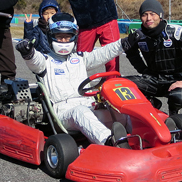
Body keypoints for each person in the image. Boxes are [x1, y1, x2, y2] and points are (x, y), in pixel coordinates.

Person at [15, 12, 141, 148]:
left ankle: (144, 136)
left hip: (88, 107)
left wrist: (125, 43)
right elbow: (34, 60)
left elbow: (103, 53)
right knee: (80, 112)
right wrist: (27, 53)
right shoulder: (45, 61)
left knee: (121, 111)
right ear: (51, 37)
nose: (64, 41)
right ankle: (110, 143)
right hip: (63, 114)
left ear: (74, 37)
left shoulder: (79, 58)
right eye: (60, 37)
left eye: (67, 37)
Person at [124, 0, 182, 116]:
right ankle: (151, 105)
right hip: (152, 80)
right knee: (123, 86)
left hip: (174, 82)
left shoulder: (177, 32)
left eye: (152, 14)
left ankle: (174, 115)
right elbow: (131, 53)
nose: (149, 18)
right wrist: (143, 70)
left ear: (160, 15)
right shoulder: (138, 35)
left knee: (180, 97)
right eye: (144, 15)